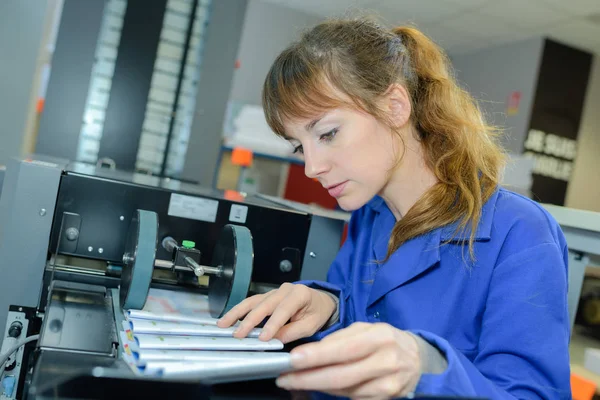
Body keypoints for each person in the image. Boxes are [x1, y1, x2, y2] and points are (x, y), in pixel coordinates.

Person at [217, 17, 571, 399]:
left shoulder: (520, 233)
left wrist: (427, 366)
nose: (312, 167)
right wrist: (329, 304)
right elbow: (360, 311)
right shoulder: (371, 214)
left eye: (328, 134)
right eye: (301, 146)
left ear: (394, 106)